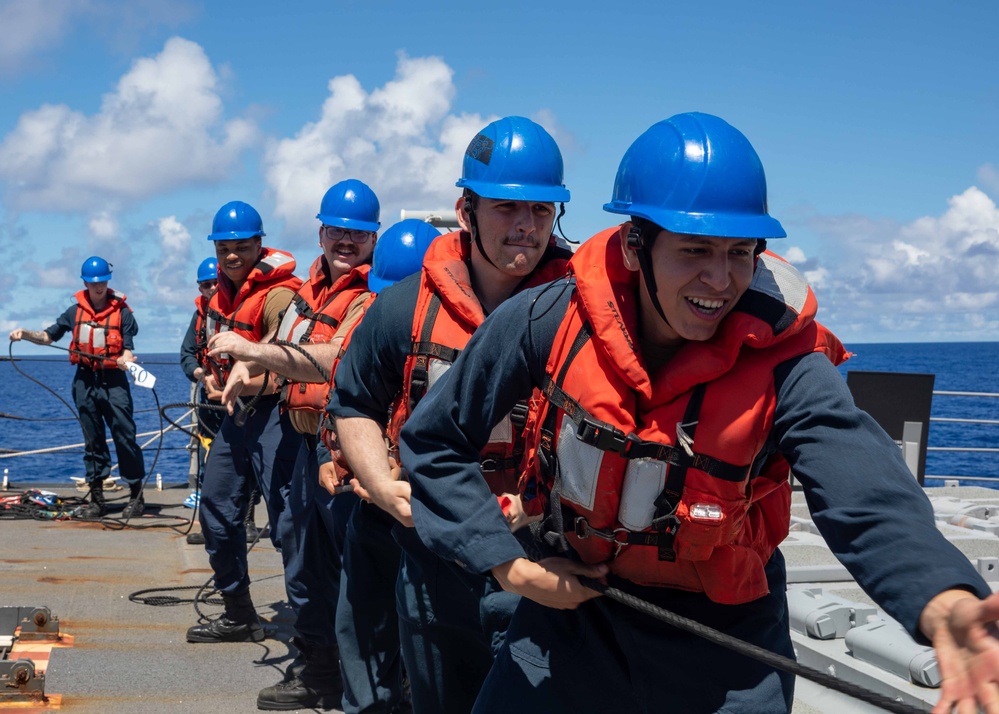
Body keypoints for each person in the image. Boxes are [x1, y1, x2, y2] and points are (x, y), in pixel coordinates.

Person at [398, 112, 999, 714]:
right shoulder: (546, 320)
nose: (720, 279)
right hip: (571, 622)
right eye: (694, 250)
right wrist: (505, 565)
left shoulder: (788, 363)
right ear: (637, 247)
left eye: (740, 252)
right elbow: (434, 441)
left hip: (725, 650)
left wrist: (943, 603)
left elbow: (863, 488)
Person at [330, 116, 573, 714]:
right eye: (507, 208)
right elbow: (354, 400)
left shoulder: (579, 312)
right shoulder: (403, 310)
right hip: (434, 558)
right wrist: (385, 489)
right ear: (466, 210)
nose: (526, 226)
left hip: (539, 556)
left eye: (542, 211)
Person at [206, 179, 380, 710]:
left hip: (347, 453)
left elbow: (331, 358)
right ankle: (318, 670)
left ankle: (371, 687)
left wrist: (249, 351)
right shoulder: (308, 293)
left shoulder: (374, 296)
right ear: (322, 232)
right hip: (304, 446)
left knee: (359, 573)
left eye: (358, 233)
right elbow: (280, 348)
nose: (346, 241)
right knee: (304, 563)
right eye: (337, 230)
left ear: (374, 238)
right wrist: (243, 367)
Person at [322, 217, 441, 714]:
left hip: (431, 516)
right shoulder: (376, 333)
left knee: (430, 636)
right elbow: (351, 402)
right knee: (360, 623)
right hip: (371, 507)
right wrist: (340, 457)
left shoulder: (455, 346)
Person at [185, 200, 304, 644]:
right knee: (215, 506)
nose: (232, 255)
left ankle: (316, 642)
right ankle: (238, 613)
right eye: (224, 248)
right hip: (237, 417)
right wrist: (216, 382)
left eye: (241, 246)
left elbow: (293, 361)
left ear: (259, 244)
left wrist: (244, 383)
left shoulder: (280, 296)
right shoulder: (217, 295)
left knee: (288, 525)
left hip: (278, 418)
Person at [9, 256, 146, 519]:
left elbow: (128, 350)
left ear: (108, 281)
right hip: (84, 381)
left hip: (114, 382)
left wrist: (125, 360)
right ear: (85, 282)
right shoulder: (74, 313)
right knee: (92, 441)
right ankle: (97, 500)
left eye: (102, 281)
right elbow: (49, 336)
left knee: (125, 437)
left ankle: (136, 496)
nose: (98, 286)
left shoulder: (123, 313)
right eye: (94, 282)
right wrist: (24, 333)